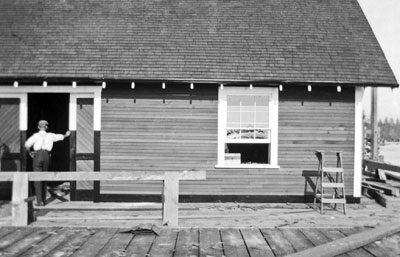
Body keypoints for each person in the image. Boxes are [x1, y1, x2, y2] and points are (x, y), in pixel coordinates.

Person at [25, 120, 70, 206]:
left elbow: (27, 145)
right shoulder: (51, 135)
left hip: (38, 155)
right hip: (47, 156)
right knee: (44, 177)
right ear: (46, 127)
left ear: (38, 127)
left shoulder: (35, 136)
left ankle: (39, 201)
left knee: (37, 178)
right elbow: (62, 137)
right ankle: (44, 199)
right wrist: (67, 134)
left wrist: (30, 152)